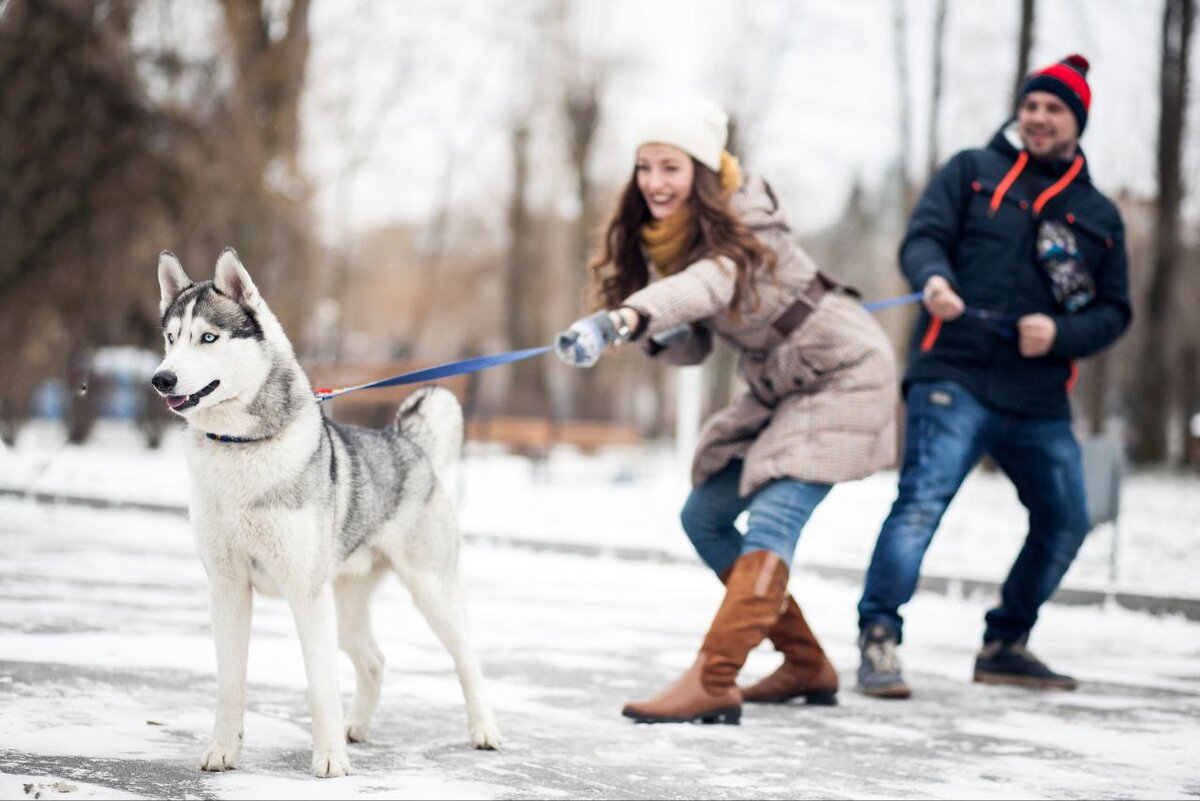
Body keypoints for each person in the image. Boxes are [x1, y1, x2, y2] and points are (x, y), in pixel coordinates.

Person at [554, 97, 898, 724]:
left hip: (843, 374)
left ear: (704, 172)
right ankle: (805, 663)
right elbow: (697, 342)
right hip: (780, 387)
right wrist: (655, 331)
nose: (655, 183)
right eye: (645, 167)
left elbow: (708, 285)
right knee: (705, 515)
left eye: (671, 168)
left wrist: (626, 316)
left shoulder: (747, 222)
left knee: (773, 516)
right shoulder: (673, 239)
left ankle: (714, 678)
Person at [855, 54, 1132, 698]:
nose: (1037, 117)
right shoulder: (971, 172)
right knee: (921, 503)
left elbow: (1116, 311)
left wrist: (1061, 334)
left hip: (1039, 396)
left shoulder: (1099, 215)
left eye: (1053, 109)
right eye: (1030, 104)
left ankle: (1006, 642)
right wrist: (934, 279)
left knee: (1066, 518)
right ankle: (879, 638)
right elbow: (920, 239)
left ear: (1077, 122)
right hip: (953, 373)